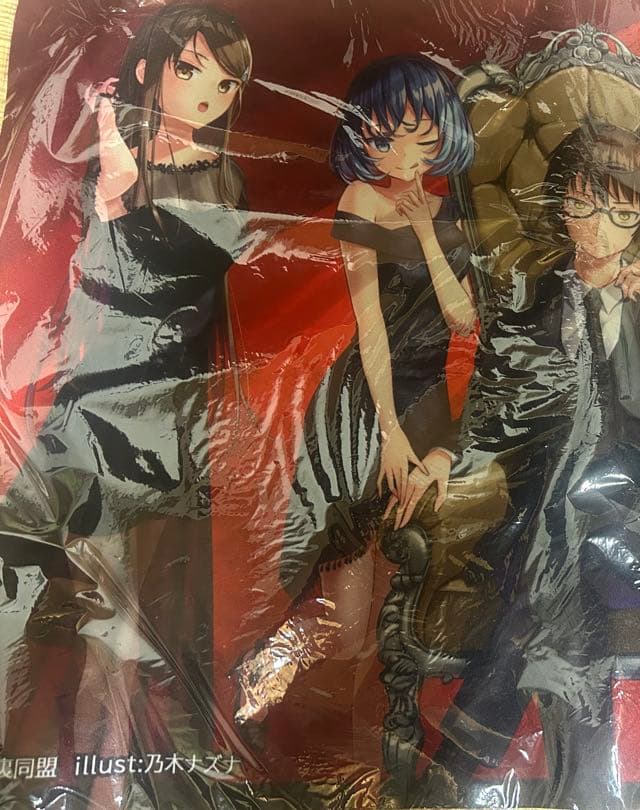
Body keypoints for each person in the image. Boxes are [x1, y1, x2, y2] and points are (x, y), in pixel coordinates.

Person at [421, 122, 640, 809]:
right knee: (565, 572)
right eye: (584, 204)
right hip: (544, 496)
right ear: (561, 204)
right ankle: (587, 791)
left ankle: (453, 772)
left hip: (633, 502)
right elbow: (497, 404)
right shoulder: (533, 299)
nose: (600, 228)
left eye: (622, 212)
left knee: (552, 563)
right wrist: (445, 451)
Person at [0, 5, 252, 805]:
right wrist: (111, 180)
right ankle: (71, 779)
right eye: (191, 70)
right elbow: (97, 281)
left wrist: (120, 188)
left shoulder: (221, 177)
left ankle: (111, 783)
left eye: (225, 83)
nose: (208, 94)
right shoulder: (110, 161)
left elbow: (174, 283)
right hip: (95, 405)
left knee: (128, 629)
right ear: (149, 69)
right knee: (69, 604)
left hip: (159, 419)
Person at [233, 54, 478, 728]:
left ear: (443, 133)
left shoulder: (452, 213)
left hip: (430, 396)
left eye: (419, 135)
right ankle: (268, 668)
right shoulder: (360, 201)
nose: (401, 152)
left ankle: (369, 721)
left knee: (394, 601)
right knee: (347, 609)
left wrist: (426, 231)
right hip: (366, 399)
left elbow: (463, 319)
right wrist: (389, 430)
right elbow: (371, 327)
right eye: (384, 135)